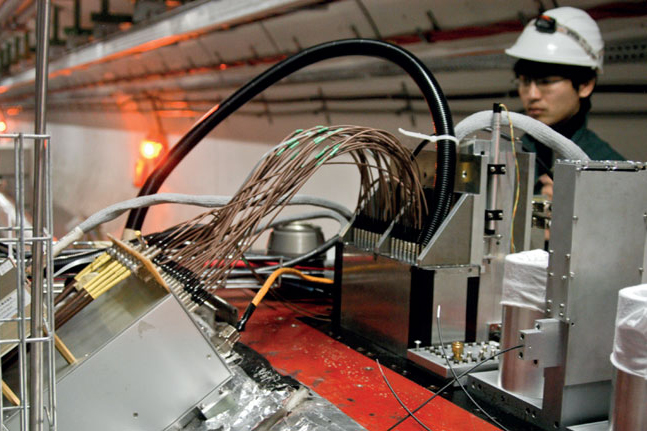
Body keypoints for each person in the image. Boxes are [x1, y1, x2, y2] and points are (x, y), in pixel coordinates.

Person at [505, 6, 624, 199]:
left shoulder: (610, 172)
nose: (532, 95)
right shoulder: (509, 156)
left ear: (585, 85)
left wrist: (582, 207)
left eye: (546, 81)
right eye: (525, 82)